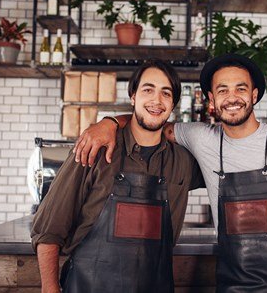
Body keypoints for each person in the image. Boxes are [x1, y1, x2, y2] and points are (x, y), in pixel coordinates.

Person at [74, 54, 267, 292]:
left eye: (240, 88)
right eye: (222, 90)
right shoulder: (200, 137)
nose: (232, 97)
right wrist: (109, 122)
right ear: (211, 100)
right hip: (233, 285)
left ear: (254, 95)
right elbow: (150, 120)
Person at [31, 60, 207, 293]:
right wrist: (50, 288)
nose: (156, 100)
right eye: (148, 90)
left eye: (166, 93)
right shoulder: (93, 148)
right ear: (133, 97)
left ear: (173, 104)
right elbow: (49, 227)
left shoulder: (182, 161)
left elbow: (230, 156)